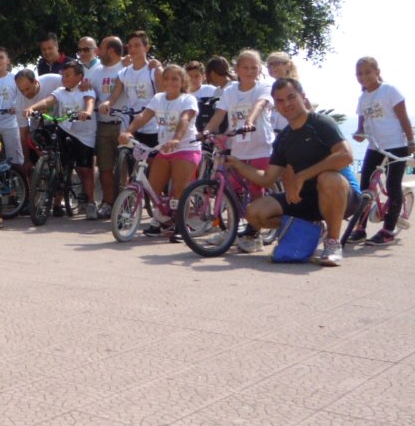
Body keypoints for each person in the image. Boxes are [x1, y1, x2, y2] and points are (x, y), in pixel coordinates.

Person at [226, 77, 360, 267]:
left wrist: (302, 176)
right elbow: (267, 179)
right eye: (280, 101)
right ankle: (310, 229)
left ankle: (333, 242)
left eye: (291, 97)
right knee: (254, 212)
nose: (286, 104)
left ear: (302, 97)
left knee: (328, 178)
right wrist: (238, 164)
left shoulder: (321, 123)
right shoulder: (284, 138)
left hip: (342, 195)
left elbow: (346, 155)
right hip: (304, 197)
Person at [204, 49, 275, 253]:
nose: (250, 71)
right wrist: (207, 130)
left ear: (260, 69)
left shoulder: (264, 87)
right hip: (239, 148)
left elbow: (260, 105)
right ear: (237, 69)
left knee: (255, 189)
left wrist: (249, 121)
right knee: (231, 189)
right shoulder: (230, 90)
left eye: (254, 67)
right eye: (245, 67)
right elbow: (220, 114)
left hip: (261, 147)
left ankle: (255, 234)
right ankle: (231, 230)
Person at [121, 65, 201, 237]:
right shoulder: (158, 98)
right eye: (166, 78)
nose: (170, 82)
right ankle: (162, 218)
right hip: (164, 149)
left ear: (182, 82)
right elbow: (143, 116)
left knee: (180, 189)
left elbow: (185, 118)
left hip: (186, 147)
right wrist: (129, 131)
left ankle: (181, 225)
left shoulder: (188, 99)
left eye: (175, 78)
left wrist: (177, 139)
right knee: (153, 187)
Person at [351, 56, 414, 245]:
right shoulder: (362, 98)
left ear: (377, 72)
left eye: (368, 72)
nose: (364, 76)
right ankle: (360, 229)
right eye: (359, 74)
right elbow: (361, 126)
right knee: (365, 188)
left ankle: (387, 230)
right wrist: (359, 134)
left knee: (393, 187)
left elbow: (403, 118)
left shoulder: (389, 91)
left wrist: (411, 140)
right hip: (375, 147)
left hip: (396, 146)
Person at [27, 60, 98, 219]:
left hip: (84, 135)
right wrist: (32, 108)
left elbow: (90, 102)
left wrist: (86, 112)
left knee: (84, 170)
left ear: (79, 77)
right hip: (65, 129)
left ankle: (91, 203)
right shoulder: (60, 90)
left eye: (68, 75)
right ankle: (57, 203)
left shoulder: (86, 90)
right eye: (63, 75)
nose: (64, 78)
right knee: (59, 165)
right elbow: (48, 101)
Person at [85, 36, 126, 219]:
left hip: (123, 124)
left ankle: (125, 204)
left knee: (125, 168)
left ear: (110, 50)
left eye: (100, 47)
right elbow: (87, 90)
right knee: (105, 168)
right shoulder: (95, 72)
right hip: (103, 125)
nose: (97, 51)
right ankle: (108, 203)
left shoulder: (126, 68)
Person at [99, 30, 163, 147]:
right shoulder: (123, 73)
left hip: (153, 126)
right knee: (128, 161)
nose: (133, 49)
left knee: (150, 163)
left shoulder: (154, 71)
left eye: (137, 45)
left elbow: (163, 97)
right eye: (130, 46)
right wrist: (106, 104)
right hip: (131, 124)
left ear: (146, 48)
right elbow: (114, 96)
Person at [14, 68, 62, 175]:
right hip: (39, 130)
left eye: (28, 89)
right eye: (22, 91)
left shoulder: (53, 80)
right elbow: (24, 133)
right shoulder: (19, 103)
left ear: (35, 81)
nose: (25, 93)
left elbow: (73, 82)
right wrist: (26, 160)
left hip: (60, 124)